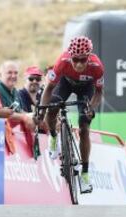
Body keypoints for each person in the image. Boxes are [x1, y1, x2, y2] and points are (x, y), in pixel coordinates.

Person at [40, 36, 104, 193]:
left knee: (84, 128)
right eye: (75, 59)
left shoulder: (97, 66)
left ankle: (85, 174)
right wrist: (41, 110)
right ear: (70, 56)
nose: (79, 64)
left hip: (86, 88)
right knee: (52, 106)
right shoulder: (62, 61)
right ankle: (54, 137)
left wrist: (91, 108)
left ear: (89, 57)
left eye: (83, 60)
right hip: (65, 83)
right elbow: (48, 90)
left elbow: (98, 93)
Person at [0, 60, 35, 129]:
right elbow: (3, 114)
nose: (13, 76)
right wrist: (24, 117)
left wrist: (32, 116)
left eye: (16, 73)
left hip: (13, 134)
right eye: (9, 73)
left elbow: (20, 111)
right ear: (0, 75)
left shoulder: (15, 91)